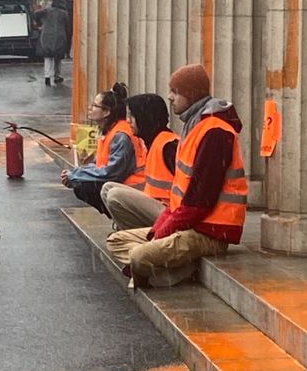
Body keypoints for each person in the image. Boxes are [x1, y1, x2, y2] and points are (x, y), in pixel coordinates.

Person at [106, 63, 246, 288]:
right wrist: (158, 232)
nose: (170, 97)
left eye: (176, 92)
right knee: (116, 241)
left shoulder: (215, 132)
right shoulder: (195, 126)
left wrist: (161, 234)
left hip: (210, 233)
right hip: (189, 224)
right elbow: (180, 199)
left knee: (138, 256)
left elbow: (199, 203)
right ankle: (163, 269)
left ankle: (163, 270)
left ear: (190, 94)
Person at [60, 82, 145, 213]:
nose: (90, 108)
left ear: (106, 112)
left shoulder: (120, 136)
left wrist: (75, 175)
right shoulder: (110, 131)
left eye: (94, 105)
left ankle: (123, 219)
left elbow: (111, 172)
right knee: (81, 183)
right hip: (123, 185)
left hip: (134, 188)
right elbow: (99, 164)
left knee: (83, 185)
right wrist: (75, 173)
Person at [100, 92, 177, 231]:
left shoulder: (169, 145)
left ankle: (136, 236)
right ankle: (132, 233)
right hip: (157, 204)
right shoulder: (152, 142)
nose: (128, 121)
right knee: (107, 188)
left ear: (144, 117)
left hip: (170, 211)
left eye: (132, 116)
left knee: (115, 195)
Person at [40, 0, 71, 86]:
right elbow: (68, 27)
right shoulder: (64, 13)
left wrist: (40, 23)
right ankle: (57, 76)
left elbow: (36, 14)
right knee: (58, 58)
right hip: (60, 36)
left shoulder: (47, 11)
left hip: (47, 35)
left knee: (47, 57)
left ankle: (47, 76)